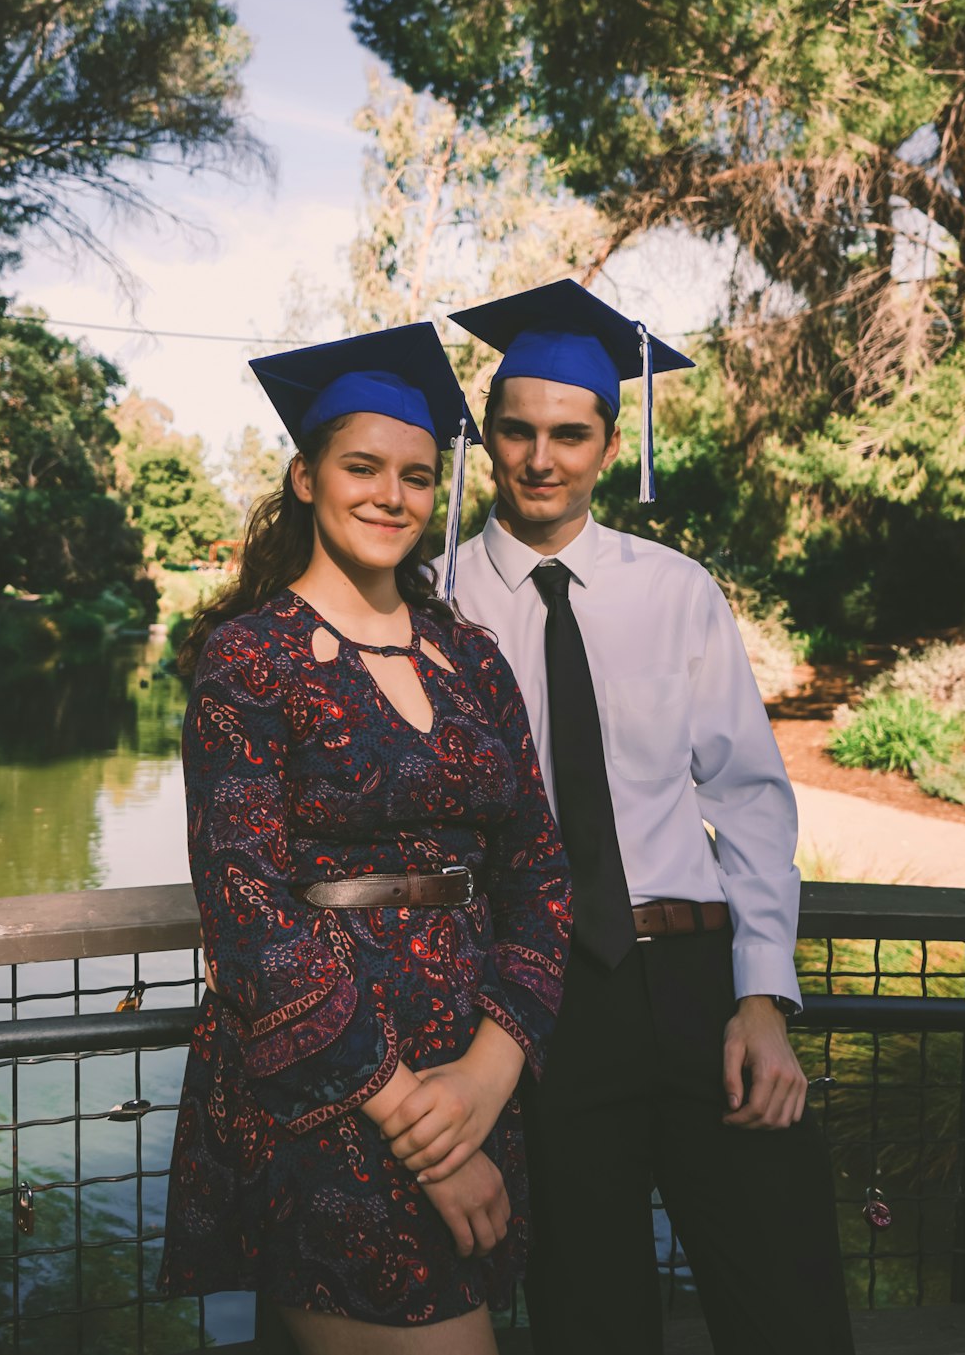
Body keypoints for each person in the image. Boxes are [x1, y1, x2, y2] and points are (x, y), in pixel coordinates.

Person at [444, 280, 855, 1355]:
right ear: (486, 436)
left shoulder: (676, 591)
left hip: (698, 985)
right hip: (538, 1001)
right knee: (592, 1314)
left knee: (787, 1299)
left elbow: (752, 800)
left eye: (568, 434)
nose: (542, 458)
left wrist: (763, 996)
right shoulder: (430, 601)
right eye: (519, 430)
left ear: (609, 440)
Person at [157, 323, 571, 1354]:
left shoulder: (470, 657)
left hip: (473, 1077)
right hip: (330, 1092)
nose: (392, 494)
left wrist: (487, 1071)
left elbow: (539, 871)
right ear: (305, 476)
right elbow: (248, 912)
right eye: (362, 467)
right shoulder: (247, 660)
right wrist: (413, 1118)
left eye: (419, 476)